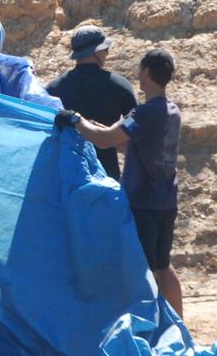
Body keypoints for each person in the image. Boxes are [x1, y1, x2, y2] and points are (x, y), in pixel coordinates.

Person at [54, 49, 183, 318]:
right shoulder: (171, 111)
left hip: (143, 204)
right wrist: (94, 127)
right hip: (167, 202)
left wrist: (74, 119)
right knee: (163, 266)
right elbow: (130, 142)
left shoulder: (145, 113)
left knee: (140, 270)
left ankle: (146, 330)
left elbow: (104, 140)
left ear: (146, 72)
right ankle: (181, 328)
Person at [46, 25, 137, 180]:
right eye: (106, 49)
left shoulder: (54, 89)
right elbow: (136, 129)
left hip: (66, 174)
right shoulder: (120, 86)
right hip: (107, 175)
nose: (107, 53)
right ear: (97, 51)